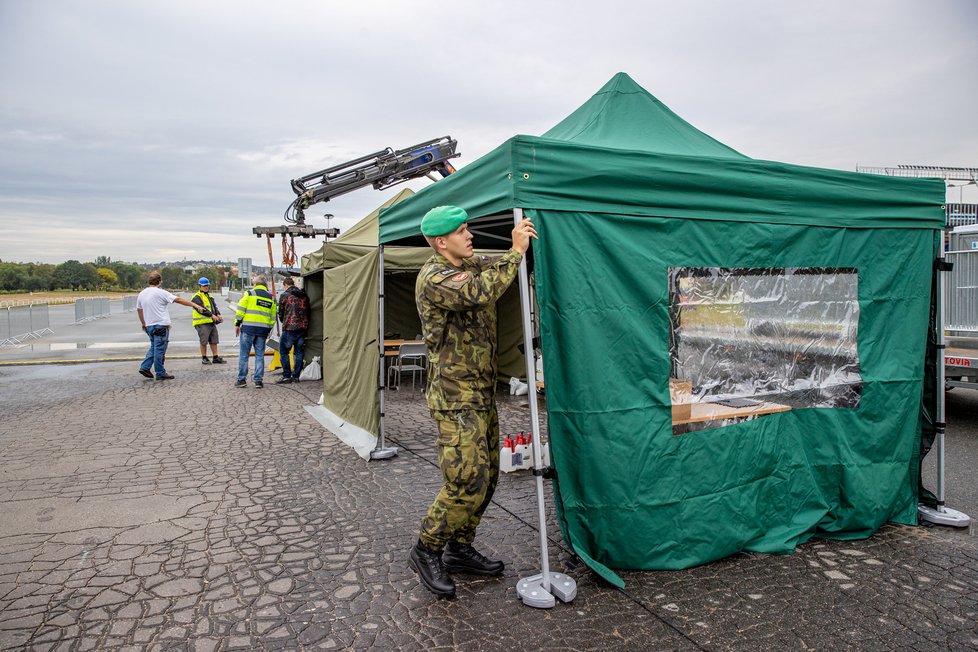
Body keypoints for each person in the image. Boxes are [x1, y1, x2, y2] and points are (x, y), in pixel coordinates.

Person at [408, 205, 536, 599]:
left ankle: (459, 548)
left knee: (489, 476)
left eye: (468, 229)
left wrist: (519, 248)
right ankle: (426, 548)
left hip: (479, 393)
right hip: (454, 397)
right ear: (441, 241)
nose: (471, 236)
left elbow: (490, 266)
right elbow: (484, 289)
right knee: (466, 480)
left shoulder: (469, 263)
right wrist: (515, 251)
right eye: (462, 232)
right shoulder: (435, 277)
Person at [136, 271, 209, 381]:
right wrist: (194, 305)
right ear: (160, 281)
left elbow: (139, 310)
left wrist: (143, 323)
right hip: (160, 325)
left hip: (149, 325)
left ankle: (145, 367)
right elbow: (178, 300)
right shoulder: (161, 293)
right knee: (160, 349)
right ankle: (160, 372)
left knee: (154, 347)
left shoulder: (142, 294)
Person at [234, 276, 276, 388]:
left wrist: (237, 324)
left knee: (244, 355)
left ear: (255, 284)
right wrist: (268, 329)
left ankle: (241, 380)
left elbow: (240, 310)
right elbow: (273, 318)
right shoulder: (271, 298)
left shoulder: (249, 294)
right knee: (259, 355)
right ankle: (258, 380)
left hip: (248, 329)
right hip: (262, 331)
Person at [275, 276, 311, 384]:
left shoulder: (285, 295)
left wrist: (284, 321)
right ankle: (296, 376)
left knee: (284, 352)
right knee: (299, 352)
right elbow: (309, 311)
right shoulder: (304, 295)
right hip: (302, 328)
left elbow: (280, 313)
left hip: (289, 328)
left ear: (285, 285)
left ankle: (286, 376)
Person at [191, 277, 227, 365]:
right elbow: (201, 309)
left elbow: (214, 307)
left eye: (207, 286)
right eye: (204, 286)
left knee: (214, 340)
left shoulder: (210, 296)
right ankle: (204, 358)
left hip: (211, 322)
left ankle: (215, 357)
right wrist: (212, 315)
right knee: (204, 341)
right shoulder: (196, 297)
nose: (206, 287)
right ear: (200, 286)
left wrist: (218, 314)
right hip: (202, 323)